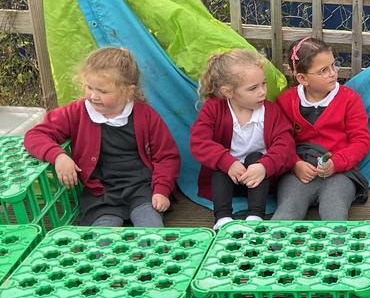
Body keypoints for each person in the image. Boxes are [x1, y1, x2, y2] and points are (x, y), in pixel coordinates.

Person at [24, 47, 179, 227]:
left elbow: (167, 156)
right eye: (89, 87)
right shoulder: (76, 112)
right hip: (101, 193)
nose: (93, 96)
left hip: (143, 189)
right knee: (102, 237)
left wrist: (161, 190)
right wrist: (58, 156)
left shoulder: (146, 115)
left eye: (103, 91)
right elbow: (35, 135)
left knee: (152, 230)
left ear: (128, 91)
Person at [190, 49, 295, 230]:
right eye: (253, 88)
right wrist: (227, 162)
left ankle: (255, 216)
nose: (262, 92)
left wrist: (264, 166)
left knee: (256, 157)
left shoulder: (271, 111)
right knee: (219, 167)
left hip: (260, 180)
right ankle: (222, 218)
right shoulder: (214, 109)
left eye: (264, 84)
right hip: (229, 179)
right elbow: (199, 142)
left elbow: (286, 145)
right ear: (228, 91)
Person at [273, 37, 370, 221]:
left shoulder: (349, 99)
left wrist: (336, 163)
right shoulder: (285, 102)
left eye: (333, 65)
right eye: (323, 70)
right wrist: (295, 164)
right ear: (302, 78)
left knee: (334, 214)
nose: (333, 73)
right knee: (286, 213)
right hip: (299, 174)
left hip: (340, 174)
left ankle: (337, 242)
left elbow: (361, 141)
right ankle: (273, 241)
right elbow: (279, 142)